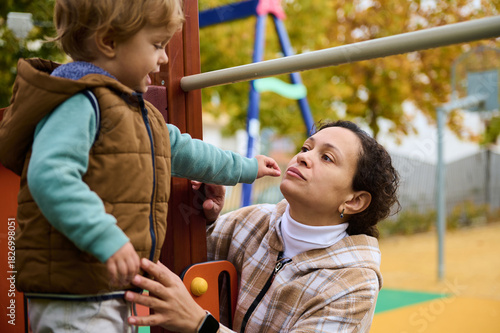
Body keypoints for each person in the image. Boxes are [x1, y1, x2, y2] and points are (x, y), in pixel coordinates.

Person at [0, 0, 281, 332]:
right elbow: (51, 176)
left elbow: (187, 151)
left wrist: (247, 167)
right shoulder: (79, 102)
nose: (164, 57)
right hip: (74, 289)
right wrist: (107, 238)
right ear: (109, 42)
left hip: (112, 285)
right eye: (157, 45)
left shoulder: (139, 114)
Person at [124, 119, 400, 333]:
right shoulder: (254, 221)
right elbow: (177, 258)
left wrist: (200, 325)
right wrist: (200, 220)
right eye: (306, 147)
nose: (303, 157)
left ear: (355, 200)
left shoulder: (354, 284)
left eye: (327, 158)